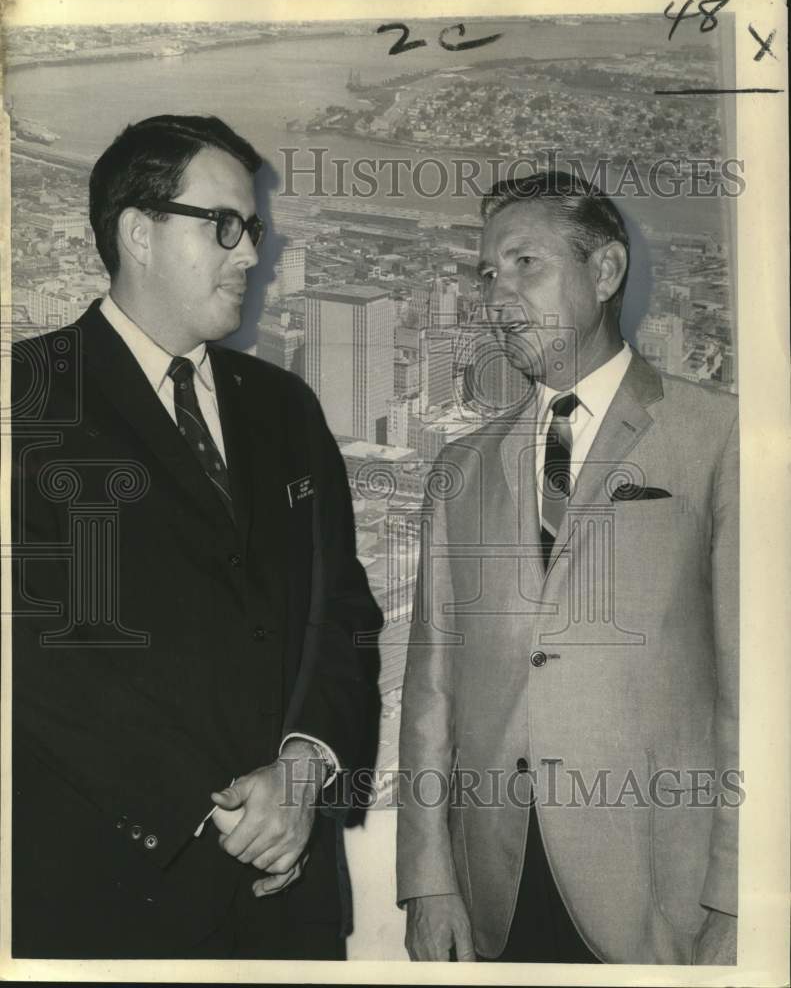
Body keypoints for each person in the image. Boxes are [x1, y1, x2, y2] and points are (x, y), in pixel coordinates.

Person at [11, 114, 382, 959]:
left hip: (291, 910)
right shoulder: (25, 399)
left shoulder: (286, 407)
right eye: (224, 226)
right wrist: (220, 810)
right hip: (111, 900)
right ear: (139, 233)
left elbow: (344, 612)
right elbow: (32, 655)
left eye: (251, 228)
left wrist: (303, 767)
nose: (251, 254)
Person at [396, 171, 738, 965]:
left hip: (662, 899)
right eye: (487, 272)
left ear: (606, 270)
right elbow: (430, 696)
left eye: (525, 263)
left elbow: (751, 689)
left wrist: (734, 895)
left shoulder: (717, 437)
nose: (498, 295)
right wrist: (428, 881)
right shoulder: (459, 469)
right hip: (495, 899)